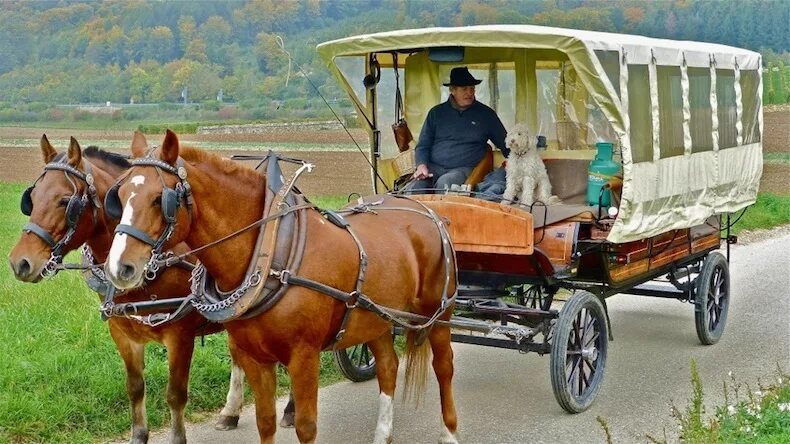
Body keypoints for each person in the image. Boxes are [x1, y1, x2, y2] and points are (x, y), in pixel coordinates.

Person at [410, 66, 508, 192]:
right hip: (433, 168)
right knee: (416, 189)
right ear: (452, 90)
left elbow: (506, 143)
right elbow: (423, 145)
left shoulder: (486, 115)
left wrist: (516, 160)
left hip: (463, 169)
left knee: (444, 184)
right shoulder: (436, 113)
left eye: (472, 88)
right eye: (464, 89)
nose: (470, 93)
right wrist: (421, 166)